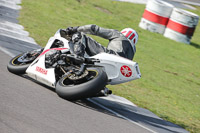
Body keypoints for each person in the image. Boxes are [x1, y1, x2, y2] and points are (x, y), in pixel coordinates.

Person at [65, 24, 138, 60]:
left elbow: (94, 29)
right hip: (114, 70)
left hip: (110, 57)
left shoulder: (120, 35)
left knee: (81, 35)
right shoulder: (132, 53)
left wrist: (75, 29)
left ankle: (77, 56)